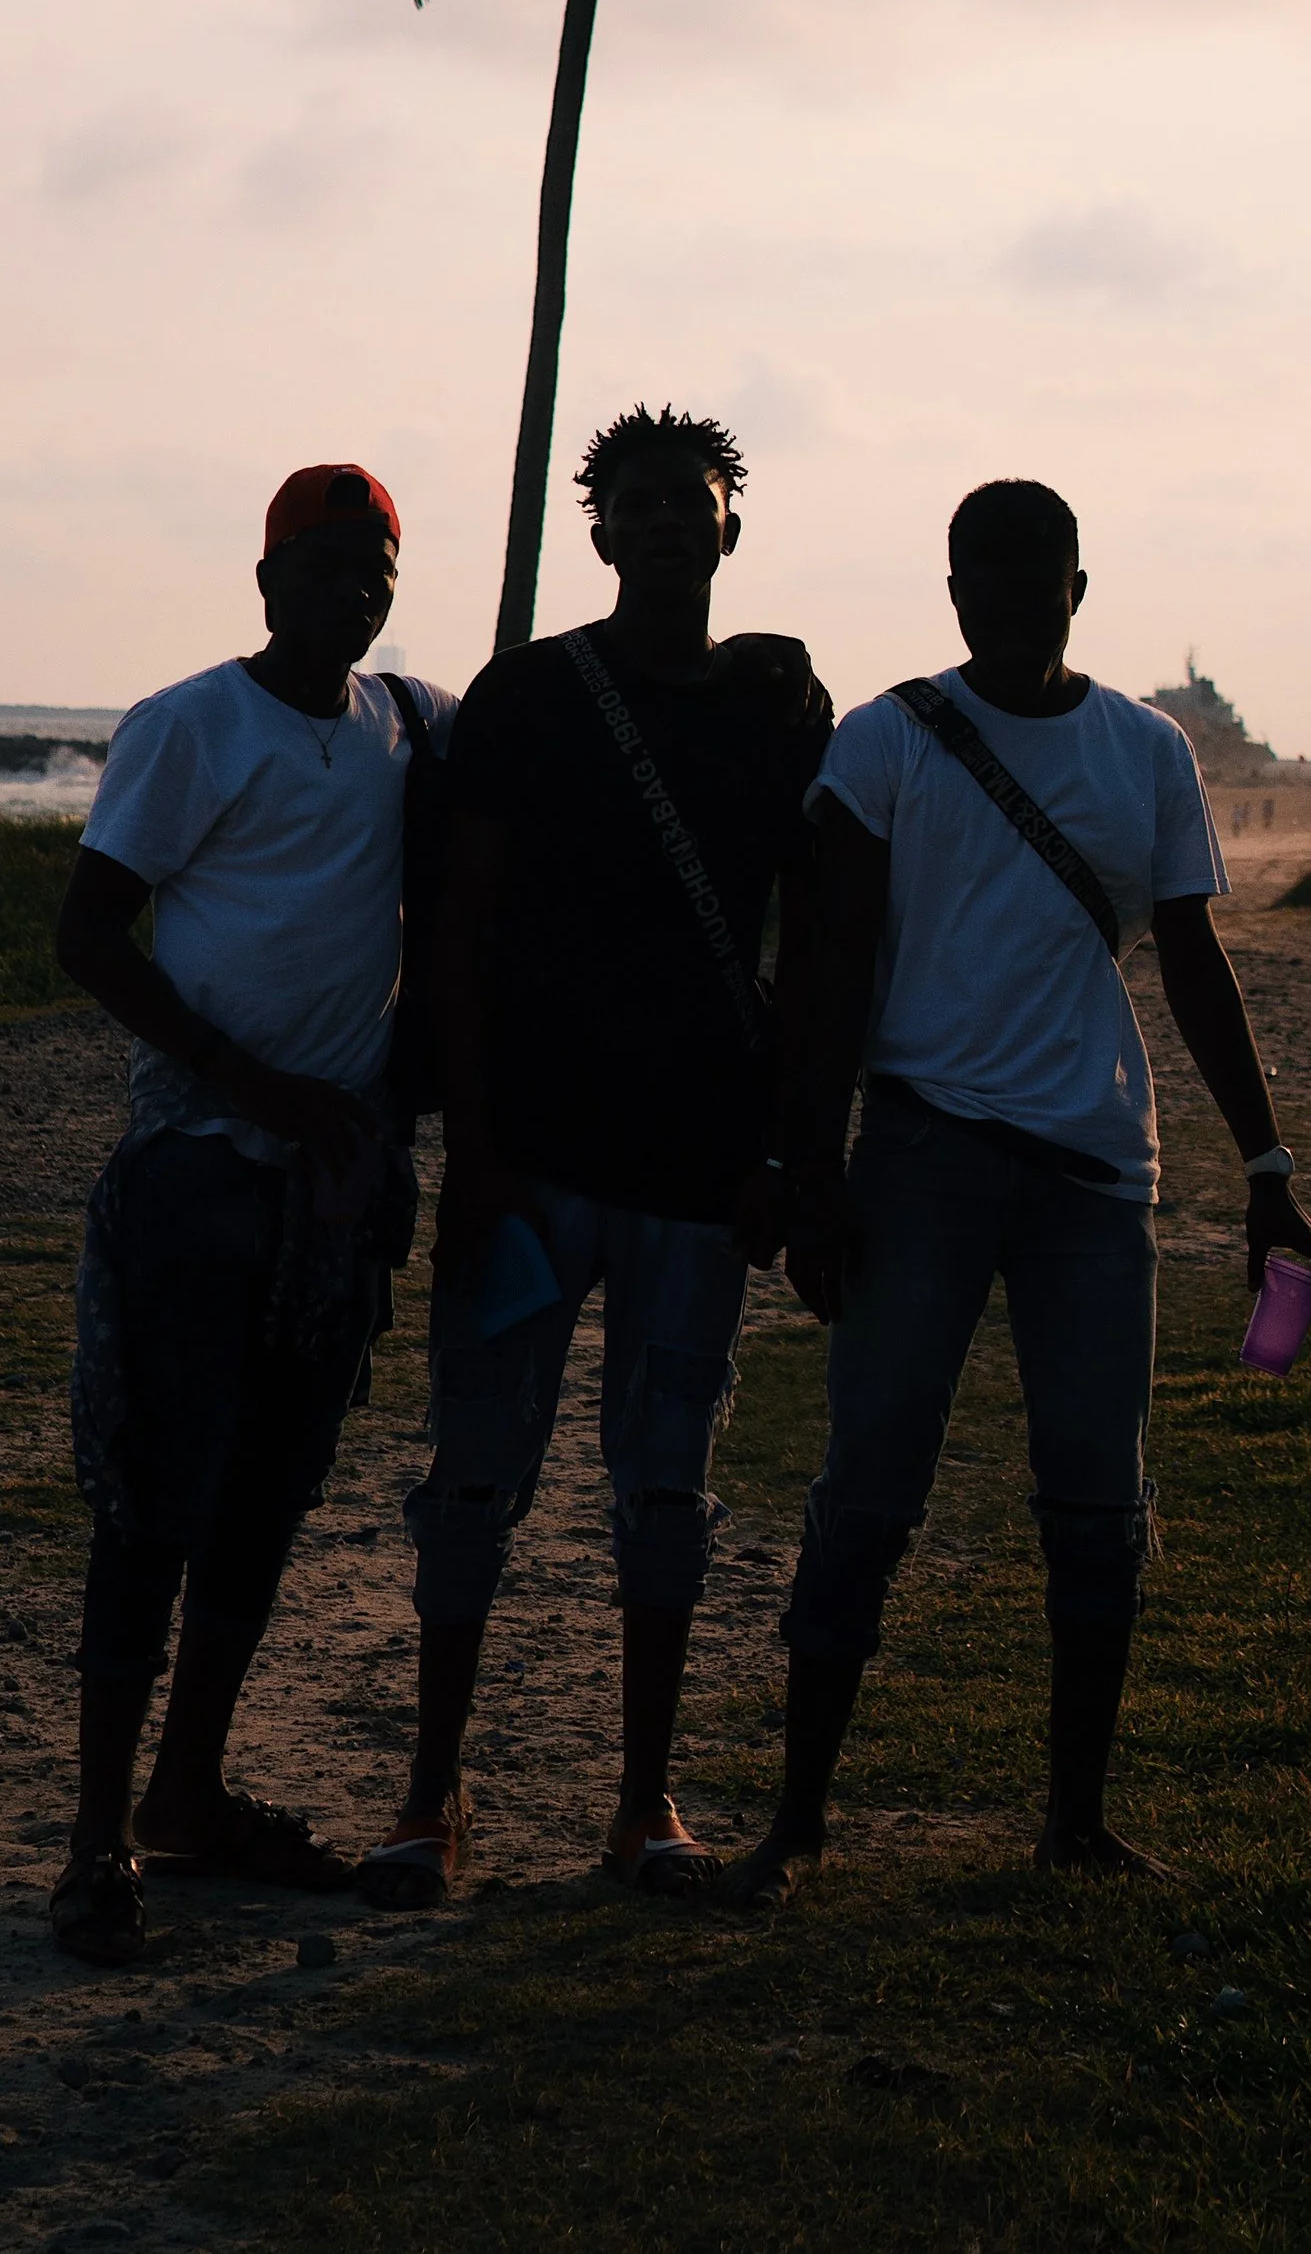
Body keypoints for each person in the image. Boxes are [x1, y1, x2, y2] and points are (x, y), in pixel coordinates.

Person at [738, 477, 1311, 1903]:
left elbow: (1193, 962)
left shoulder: (1146, 753)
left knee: (1097, 1499)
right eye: (984, 585)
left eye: (1037, 581)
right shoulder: (886, 741)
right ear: (953, 595)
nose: (1010, 606)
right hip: (926, 1155)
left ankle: (1075, 1818)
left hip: (1092, 1175)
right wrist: (812, 1173)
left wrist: (1269, 1173)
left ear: (1080, 587)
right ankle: (797, 1823)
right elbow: (826, 973)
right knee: (867, 1487)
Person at [357, 405, 830, 1908]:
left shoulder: (778, 712)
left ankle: (645, 1802)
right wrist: (475, 1146)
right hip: (537, 1160)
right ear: (602, 530)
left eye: (695, 505)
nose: (673, 526)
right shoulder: (531, 698)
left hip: (699, 1173)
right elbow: (461, 929)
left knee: (667, 1492)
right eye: (642, 504)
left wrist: (783, 1155)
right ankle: (435, 1794)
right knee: (474, 1478)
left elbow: (813, 950)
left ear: (729, 530)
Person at [46, 462, 455, 1965]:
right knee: (157, 1494)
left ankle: (191, 1789)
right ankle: (97, 1838)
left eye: (379, 570)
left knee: (268, 1497)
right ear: (268, 579)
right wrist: (242, 1077)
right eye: (329, 564)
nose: (355, 590)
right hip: (202, 1167)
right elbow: (88, 930)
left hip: (330, 1190)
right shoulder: (190, 724)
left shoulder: (407, 727)